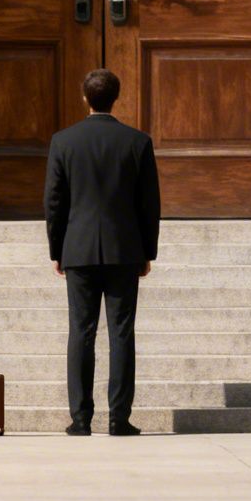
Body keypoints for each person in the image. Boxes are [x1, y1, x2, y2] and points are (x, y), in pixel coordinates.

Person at [44, 68, 161, 437]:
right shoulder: (137, 142)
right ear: (117, 96)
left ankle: (80, 420)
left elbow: (54, 201)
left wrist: (56, 249)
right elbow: (149, 204)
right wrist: (148, 251)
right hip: (124, 249)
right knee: (122, 333)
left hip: (77, 248)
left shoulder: (64, 142)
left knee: (81, 331)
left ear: (85, 96)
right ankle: (119, 418)